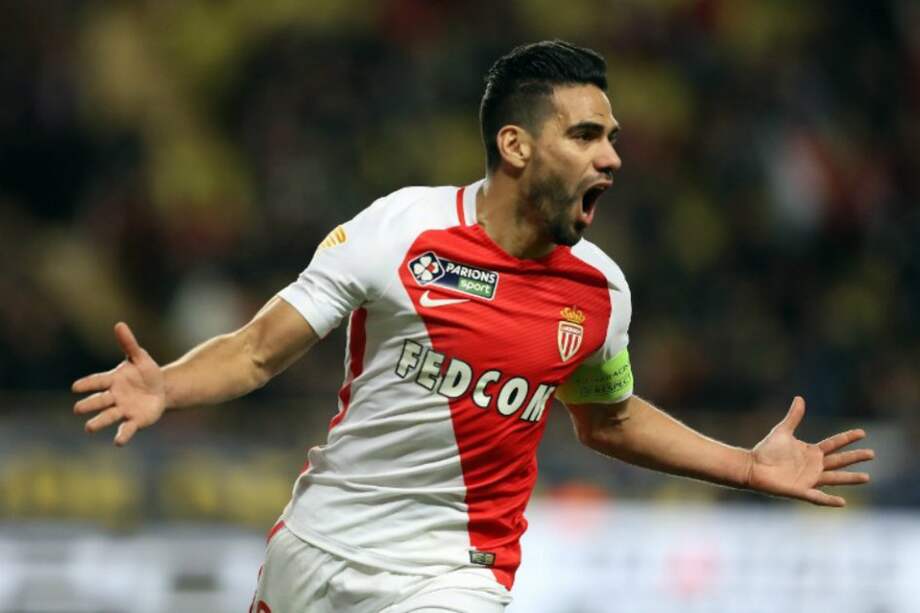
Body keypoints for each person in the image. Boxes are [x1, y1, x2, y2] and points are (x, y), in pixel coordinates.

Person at [71, 40, 874, 613]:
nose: (613, 159)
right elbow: (254, 352)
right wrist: (167, 384)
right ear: (516, 145)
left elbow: (608, 418)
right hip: (316, 551)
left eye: (614, 139)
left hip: (454, 574)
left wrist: (743, 464)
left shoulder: (599, 292)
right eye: (587, 135)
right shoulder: (400, 231)